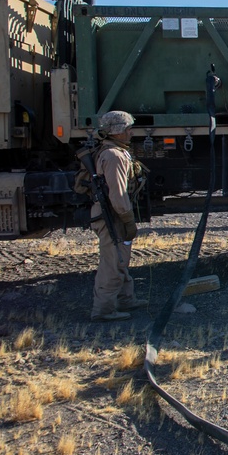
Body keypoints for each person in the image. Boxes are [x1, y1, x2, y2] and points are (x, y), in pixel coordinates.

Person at [90, 110, 147, 321]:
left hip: (113, 214)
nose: (131, 132)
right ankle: (103, 310)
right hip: (112, 215)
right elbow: (118, 194)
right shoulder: (113, 156)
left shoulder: (115, 151)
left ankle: (125, 299)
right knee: (112, 262)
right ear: (116, 132)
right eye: (127, 129)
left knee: (121, 258)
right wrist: (128, 220)